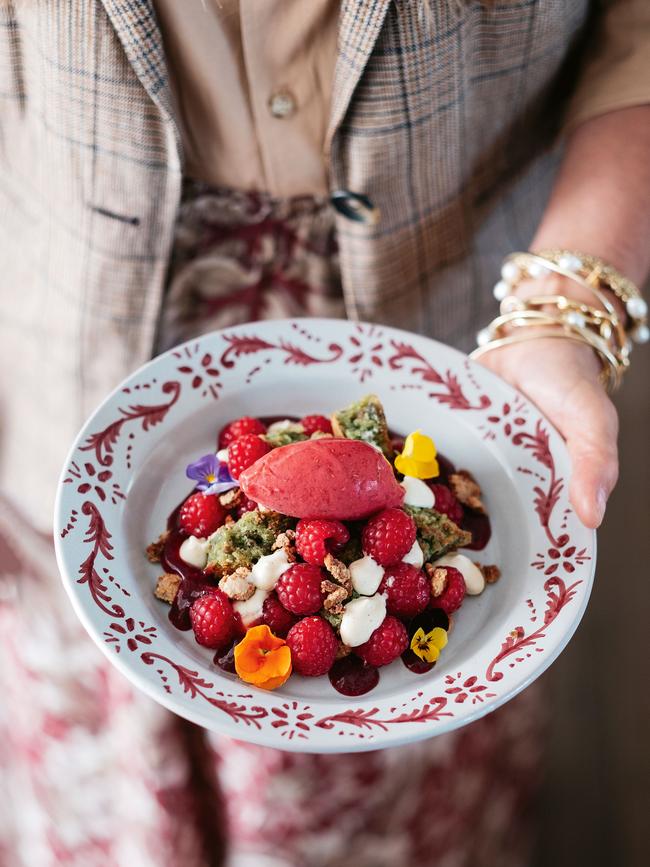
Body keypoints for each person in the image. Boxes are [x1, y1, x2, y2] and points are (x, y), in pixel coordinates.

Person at [0, 1, 648, 865]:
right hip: (67, 354)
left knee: (381, 812)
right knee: (110, 758)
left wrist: (561, 314)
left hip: (468, 330)